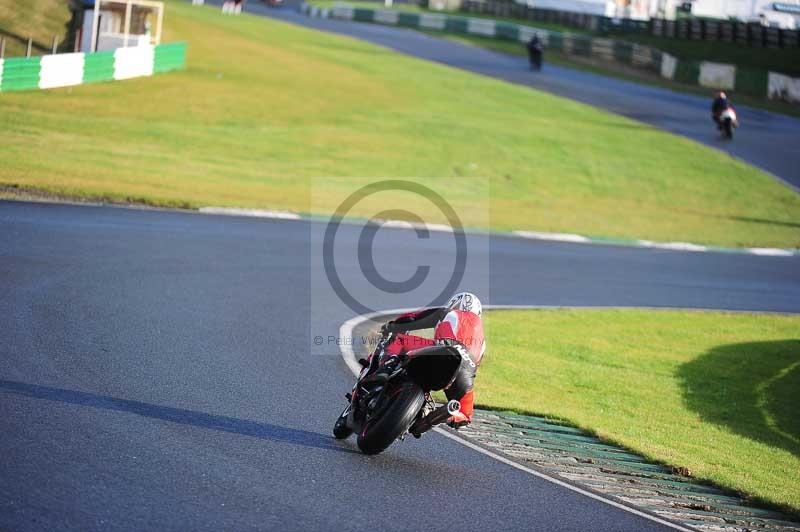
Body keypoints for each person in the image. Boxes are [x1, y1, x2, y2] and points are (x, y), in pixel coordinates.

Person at [366, 292, 486, 435]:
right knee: (465, 415)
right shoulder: (482, 338)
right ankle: (434, 418)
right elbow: (476, 363)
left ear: (455, 303)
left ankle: (385, 370)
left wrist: (391, 326)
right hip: (466, 374)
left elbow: (413, 318)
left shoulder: (449, 312)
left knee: (398, 339)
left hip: (445, 352)